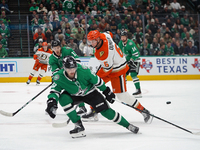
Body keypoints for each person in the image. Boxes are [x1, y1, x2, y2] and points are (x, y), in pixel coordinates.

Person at [45, 56, 140, 138]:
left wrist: (106, 91)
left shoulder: (84, 71)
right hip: (73, 95)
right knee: (63, 99)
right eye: (69, 69)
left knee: (106, 112)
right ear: (64, 68)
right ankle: (78, 126)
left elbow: (97, 81)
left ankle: (128, 125)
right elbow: (54, 91)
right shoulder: (58, 77)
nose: (72, 71)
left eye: (73, 68)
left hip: (91, 93)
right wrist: (52, 101)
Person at [85, 30, 152, 123]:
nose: (91, 44)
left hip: (117, 70)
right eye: (90, 41)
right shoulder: (104, 35)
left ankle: (144, 111)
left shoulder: (104, 53)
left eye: (93, 41)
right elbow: (109, 33)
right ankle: (93, 111)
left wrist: (95, 78)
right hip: (111, 65)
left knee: (122, 96)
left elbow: (107, 69)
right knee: (93, 86)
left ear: (98, 39)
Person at [49, 40, 87, 115]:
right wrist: (57, 77)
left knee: (77, 89)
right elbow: (55, 72)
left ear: (60, 47)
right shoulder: (51, 59)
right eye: (54, 48)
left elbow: (78, 61)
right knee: (55, 90)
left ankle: (82, 107)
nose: (56, 50)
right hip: (63, 76)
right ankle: (53, 106)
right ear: (52, 49)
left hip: (73, 73)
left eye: (58, 47)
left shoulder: (68, 50)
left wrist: (71, 70)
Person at [118, 29, 142, 97]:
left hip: (135, 60)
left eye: (123, 36)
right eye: (121, 36)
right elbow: (119, 53)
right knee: (123, 75)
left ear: (126, 37)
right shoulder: (120, 43)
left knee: (133, 74)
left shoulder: (130, 43)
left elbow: (136, 54)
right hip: (127, 61)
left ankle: (138, 90)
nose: (122, 38)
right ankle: (123, 90)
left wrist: (131, 60)